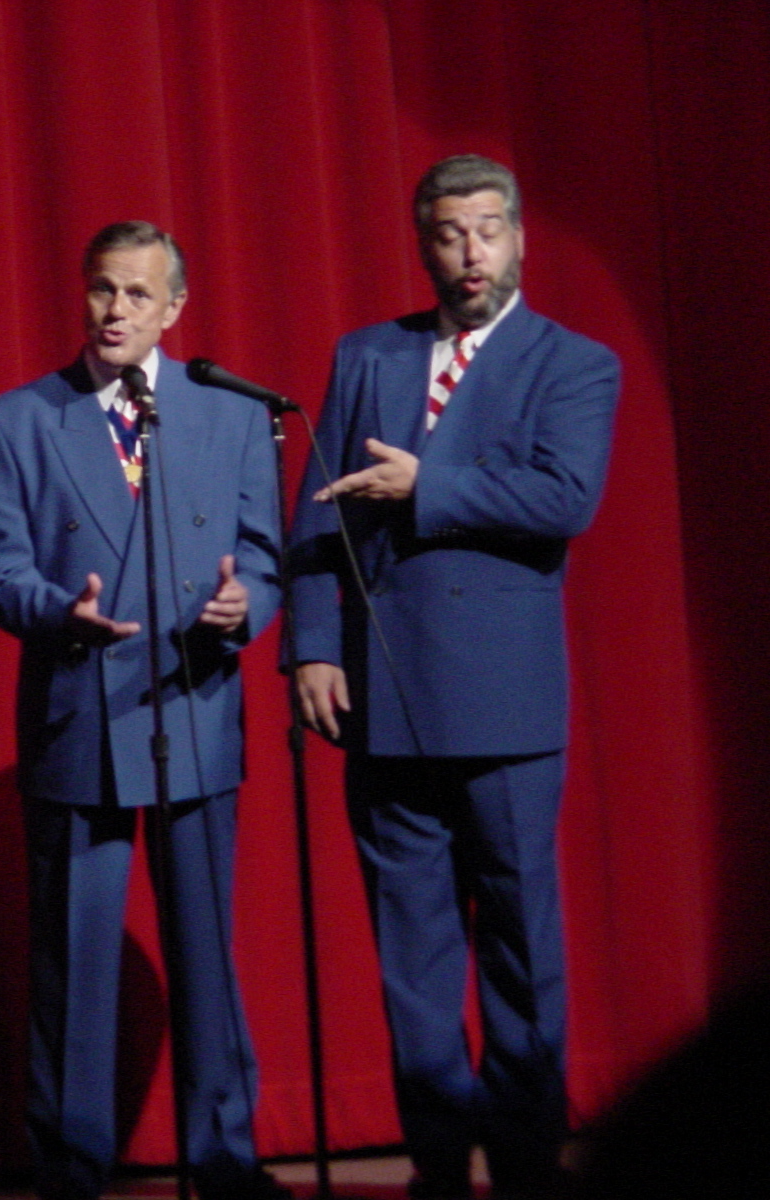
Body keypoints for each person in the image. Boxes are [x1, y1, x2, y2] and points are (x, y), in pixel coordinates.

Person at [289, 155, 620, 1200]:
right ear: (423, 244)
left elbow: (563, 498)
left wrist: (427, 484)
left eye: (486, 229)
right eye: (447, 234)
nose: (469, 252)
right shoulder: (368, 355)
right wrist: (313, 644)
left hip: (504, 706)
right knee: (413, 958)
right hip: (384, 697)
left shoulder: (573, 363)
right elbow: (317, 515)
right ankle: (436, 1163)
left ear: (516, 236)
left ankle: (524, 1162)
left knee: (520, 949)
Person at [0, 221, 284, 1200]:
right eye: (102, 289)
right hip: (79, 712)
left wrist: (246, 606)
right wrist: (55, 613)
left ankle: (223, 1160)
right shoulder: (20, 419)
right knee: (72, 963)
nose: (115, 311)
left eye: (138, 295)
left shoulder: (230, 413)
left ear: (174, 308)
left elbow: (264, 552)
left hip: (194, 704)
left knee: (205, 954)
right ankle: (70, 1168)